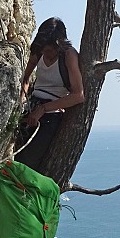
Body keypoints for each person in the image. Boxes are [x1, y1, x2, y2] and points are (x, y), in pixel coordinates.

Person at [15, 17, 84, 175]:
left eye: (50, 50)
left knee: (29, 162)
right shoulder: (39, 52)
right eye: (44, 50)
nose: (46, 54)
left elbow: (78, 95)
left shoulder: (69, 55)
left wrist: (43, 109)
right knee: (17, 157)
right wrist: (22, 101)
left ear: (59, 44)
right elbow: (25, 79)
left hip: (52, 113)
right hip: (32, 106)